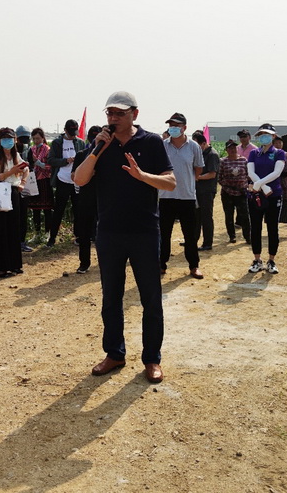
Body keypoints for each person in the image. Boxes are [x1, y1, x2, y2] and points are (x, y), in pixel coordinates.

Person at [74, 91, 175, 384]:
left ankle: (152, 358)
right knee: (111, 297)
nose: (113, 118)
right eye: (110, 113)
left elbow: (170, 182)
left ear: (135, 114)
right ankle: (114, 353)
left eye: (120, 113)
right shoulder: (100, 145)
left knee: (151, 298)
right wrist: (97, 150)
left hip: (145, 231)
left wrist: (143, 176)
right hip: (109, 232)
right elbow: (79, 179)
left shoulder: (151, 142)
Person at [159, 113, 204, 279]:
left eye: (176, 126)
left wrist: (187, 181)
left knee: (190, 235)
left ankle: (193, 266)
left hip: (187, 196)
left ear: (184, 128)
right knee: (164, 234)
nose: (173, 128)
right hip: (166, 196)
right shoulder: (163, 145)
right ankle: (161, 264)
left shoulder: (193, 146)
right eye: (171, 125)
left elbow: (198, 168)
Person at [0, 127, 29, 277]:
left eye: (10, 139)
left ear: (15, 140)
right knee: (0, 229)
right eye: (4, 139)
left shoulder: (17, 156)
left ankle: (14, 264)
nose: (8, 142)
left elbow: (26, 169)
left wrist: (22, 182)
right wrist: (11, 172)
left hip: (13, 191)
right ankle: (0, 267)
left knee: (13, 228)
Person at [246, 123, 285, 274]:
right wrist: (262, 186)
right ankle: (257, 260)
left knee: (272, 228)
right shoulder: (254, 153)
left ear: (273, 136)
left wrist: (260, 183)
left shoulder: (279, 153)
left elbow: (277, 172)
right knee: (255, 227)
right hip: (256, 195)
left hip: (273, 195)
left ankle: (271, 260)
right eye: (261, 135)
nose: (264, 137)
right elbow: (250, 171)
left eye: (267, 134)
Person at [46, 119, 85, 247]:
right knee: (58, 210)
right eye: (71, 133)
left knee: (78, 210)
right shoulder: (57, 143)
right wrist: (66, 161)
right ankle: (52, 238)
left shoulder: (80, 142)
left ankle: (78, 237)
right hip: (62, 179)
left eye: (75, 133)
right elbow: (51, 160)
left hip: (76, 181)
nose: (73, 135)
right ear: (65, 130)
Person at [71, 125, 102, 274]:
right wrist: (87, 172)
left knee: (104, 232)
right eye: (93, 136)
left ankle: (106, 261)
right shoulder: (81, 155)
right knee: (84, 232)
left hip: (104, 198)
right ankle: (84, 263)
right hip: (85, 198)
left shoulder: (107, 156)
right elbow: (74, 176)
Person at [218, 139, 251, 244]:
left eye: (234, 148)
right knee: (229, 216)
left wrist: (245, 186)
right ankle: (232, 236)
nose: (232, 150)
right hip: (227, 193)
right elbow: (219, 177)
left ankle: (248, 236)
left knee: (245, 215)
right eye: (230, 148)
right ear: (226, 150)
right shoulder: (223, 161)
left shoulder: (244, 160)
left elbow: (248, 175)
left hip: (241, 193)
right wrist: (228, 187)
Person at [191, 130, 219, 250]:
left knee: (206, 217)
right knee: (196, 217)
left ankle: (207, 243)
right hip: (196, 190)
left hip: (207, 191)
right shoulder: (199, 153)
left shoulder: (212, 155)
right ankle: (193, 240)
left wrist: (198, 177)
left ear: (203, 143)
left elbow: (212, 174)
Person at [26, 127, 53, 240]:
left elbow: (50, 166)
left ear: (42, 138)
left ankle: (47, 232)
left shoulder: (47, 149)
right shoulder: (31, 149)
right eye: (34, 139)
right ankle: (37, 233)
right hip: (34, 180)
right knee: (35, 208)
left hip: (44, 180)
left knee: (46, 208)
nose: (36, 141)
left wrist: (37, 162)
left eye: (38, 138)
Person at [15, 125, 33, 252]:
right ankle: (14, 241)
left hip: (25, 184)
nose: (24, 142)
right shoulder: (12, 151)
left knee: (23, 214)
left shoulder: (29, 150)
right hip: (14, 185)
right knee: (15, 214)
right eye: (22, 139)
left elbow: (31, 166)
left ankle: (22, 241)